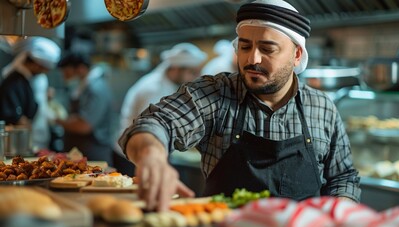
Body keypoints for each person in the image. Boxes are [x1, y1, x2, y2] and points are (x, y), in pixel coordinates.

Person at [118, 0, 361, 212]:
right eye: (245, 47)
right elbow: (156, 123)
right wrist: (152, 155)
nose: (252, 59)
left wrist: (339, 215)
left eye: (267, 49)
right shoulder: (215, 93)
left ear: (297, 55)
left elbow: (342, 177)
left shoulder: (322, 107)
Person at [113, 42, 207, 176]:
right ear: (175, 69)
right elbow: (148, 129)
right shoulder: (153, 89)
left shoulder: (171, 85)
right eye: (192, 72)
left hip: (151, 150)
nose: (194, 77)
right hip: (134, 154)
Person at [56, 52, 114, 166]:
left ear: (81, 69)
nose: (65, 78)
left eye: (67, 73)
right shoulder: (83, 87)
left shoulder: (96, 89)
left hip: (94, 152)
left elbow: (84, 126)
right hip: (81, 151)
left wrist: (57, 120)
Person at [0, 37, 61, 132]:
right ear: (35, 65)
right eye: (43, 69)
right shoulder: (14, 81)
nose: (44, 72)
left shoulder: (27, 80)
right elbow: (10, 113)